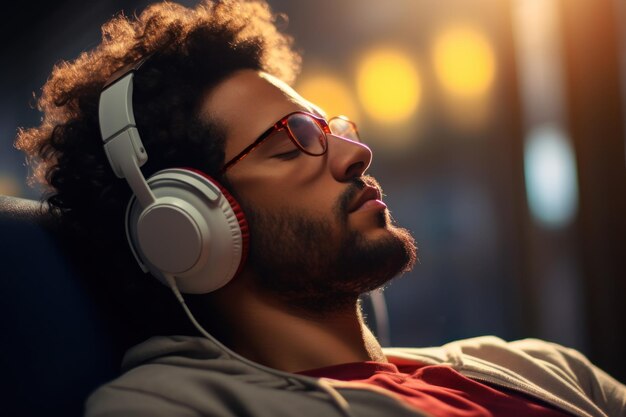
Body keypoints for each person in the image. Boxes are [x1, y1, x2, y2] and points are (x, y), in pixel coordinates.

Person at [15, 0, 625, 416]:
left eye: (331, 127)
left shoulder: (539, 365)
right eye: (293, 142)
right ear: (184, 226)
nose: (356, 152)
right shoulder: (171, 408)